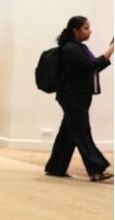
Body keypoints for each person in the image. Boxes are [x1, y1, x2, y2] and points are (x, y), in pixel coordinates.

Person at [45, 16, 113, 181]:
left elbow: (91, 68)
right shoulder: (70, 49)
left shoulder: (79, 48)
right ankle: (96, 169)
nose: (90, 31)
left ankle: (56, 167)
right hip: (72, 96)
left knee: (68, 132)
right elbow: (90, 67)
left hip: (78, 95)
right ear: (75, 31)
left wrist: (109, 52)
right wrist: (111, 50)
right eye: (86, 28)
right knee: (82, 132)